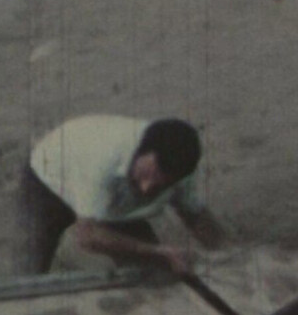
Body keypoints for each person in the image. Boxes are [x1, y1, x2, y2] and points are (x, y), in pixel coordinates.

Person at [21, 114, 226, 275]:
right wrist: (157, 251)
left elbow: (196, 216)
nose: (145, 189)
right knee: (32, 262)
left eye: (158, 187)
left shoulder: (183, 175)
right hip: (50, 176)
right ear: (138, 152)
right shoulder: (103, 160)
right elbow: (88, 236)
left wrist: (225, 254)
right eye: (143, 176)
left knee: (156, 270)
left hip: (112, 196)